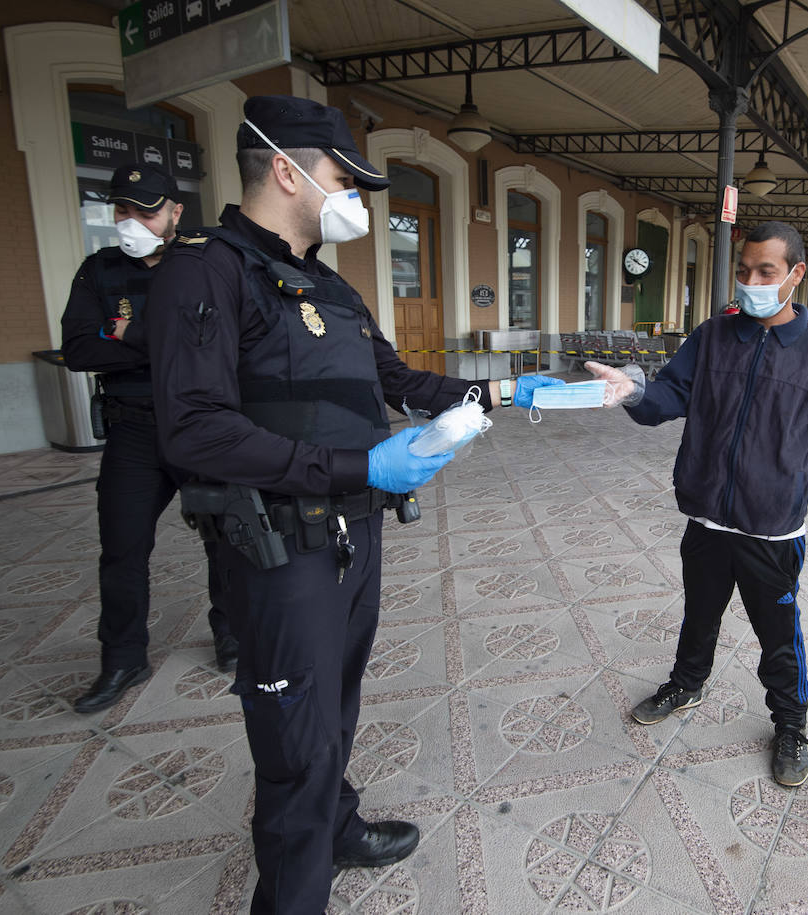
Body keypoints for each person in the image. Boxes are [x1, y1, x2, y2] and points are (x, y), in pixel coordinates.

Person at [146, 95, 561, 913]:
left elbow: (399, 382)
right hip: (277, 550)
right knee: (295, 741)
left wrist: (508, 387)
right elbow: (194, 429)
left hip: (352, 536)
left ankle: (337, 826)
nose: (357, 200)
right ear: (286, 169)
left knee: (335, 704)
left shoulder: (330, 286)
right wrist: (355, 462)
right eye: (345, 179)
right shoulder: (206, 267)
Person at [586, 220, 808, 788]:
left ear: (795, 274)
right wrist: (634, 390)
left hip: (772, 529)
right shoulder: (714, 335)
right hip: (707, 517)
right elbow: (669, 395)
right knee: (700, 614)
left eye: (766, 272)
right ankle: (687, 683)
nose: (751, 282)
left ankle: (790, 725)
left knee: (778, 637)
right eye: (744, 271)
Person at [60, 162, 237, 714]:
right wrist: (168, 341)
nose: (132, 220)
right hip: (133, 429)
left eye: (146, 209)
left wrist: (127, 331)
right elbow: (80, 351)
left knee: (226, 535)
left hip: (200, 423)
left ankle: (231, 636)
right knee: (122, 549)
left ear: (175, 211)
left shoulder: (206, 265)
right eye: (122, 210)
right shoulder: (98, 270)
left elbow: (226, 345)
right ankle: (122, 658)